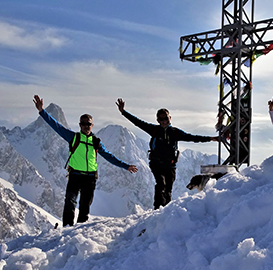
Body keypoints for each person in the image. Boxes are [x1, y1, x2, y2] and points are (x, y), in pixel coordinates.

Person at [33, 95, 138, 227]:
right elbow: (57, 127)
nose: (86, 126)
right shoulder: (73, 137)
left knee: (84, 206)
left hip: (90, 178)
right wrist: (42, 111)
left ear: (92, 125)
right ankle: (67, 228)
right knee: (69, 203)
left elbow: (109, 156)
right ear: (80, 125)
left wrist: (126, 166)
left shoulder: (96, 142)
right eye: (83, 123)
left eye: (88, 124)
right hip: (75, 175)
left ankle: (78, 231)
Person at [116, 98, 218, 209]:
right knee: (161, 184)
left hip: (170, 165)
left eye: (166, 118)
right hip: (156, 164)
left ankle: (166, 210)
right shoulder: (154, 130)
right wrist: (123, 112)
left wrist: (210, 138)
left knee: (168, 189)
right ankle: (157, 209)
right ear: (158, 120)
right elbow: (138, 123)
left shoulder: (175, 132)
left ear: (170, 118)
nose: (164, 121)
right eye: (161, 119)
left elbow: (192, 137)